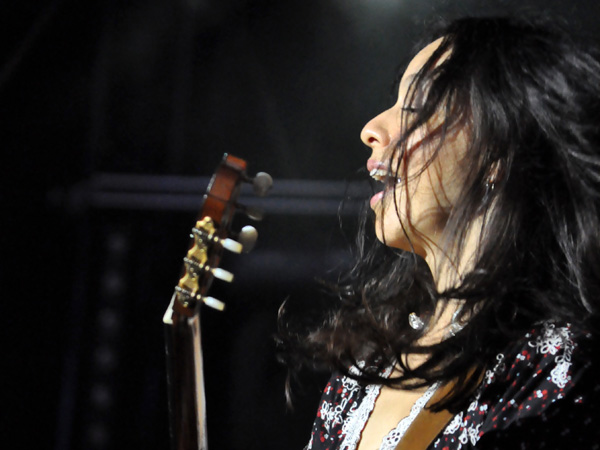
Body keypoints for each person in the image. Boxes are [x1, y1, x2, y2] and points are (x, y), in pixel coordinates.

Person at [279, 16, 600, 450]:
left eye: (414, 107)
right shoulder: (365, 367)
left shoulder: (559, 373)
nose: (371, 128)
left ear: (497, 152)